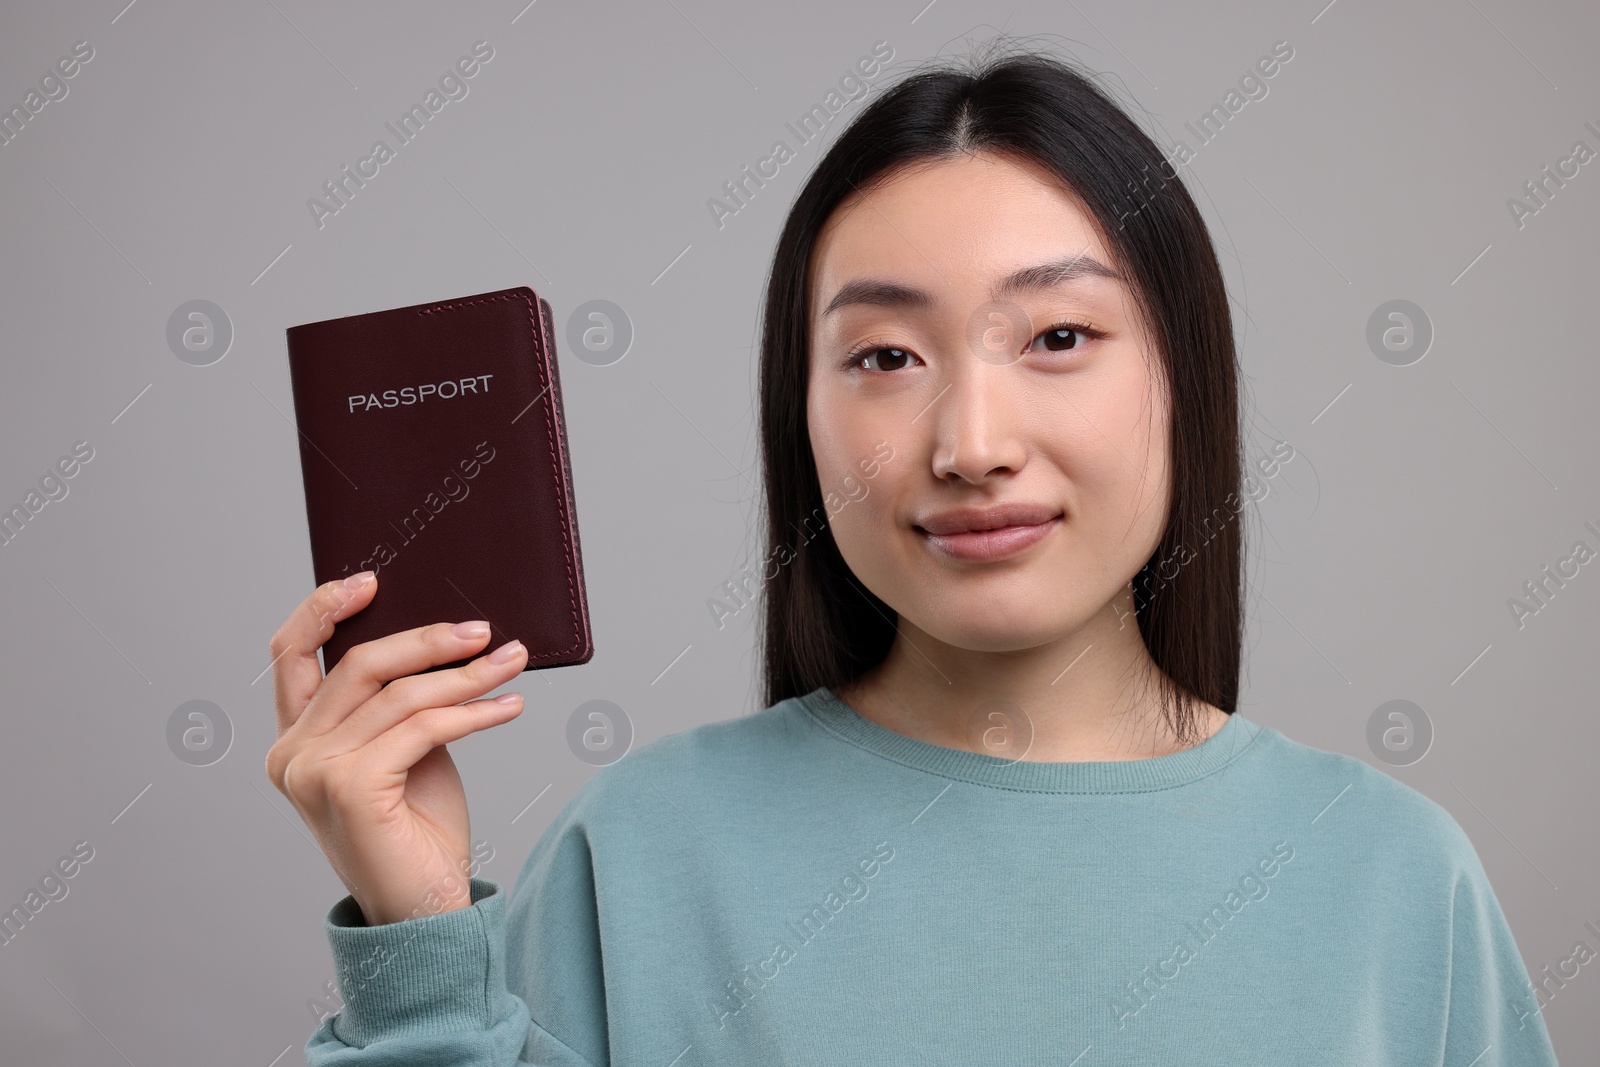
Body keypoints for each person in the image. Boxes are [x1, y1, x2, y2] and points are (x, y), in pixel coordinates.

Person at [267, 46, 1562, 1066]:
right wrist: (424, 948)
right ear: (802, 415)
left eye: (1057, 336)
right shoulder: (639, 857)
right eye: (886, 356)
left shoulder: (1395, 881)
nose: (971, 441)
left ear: (1186, 378)